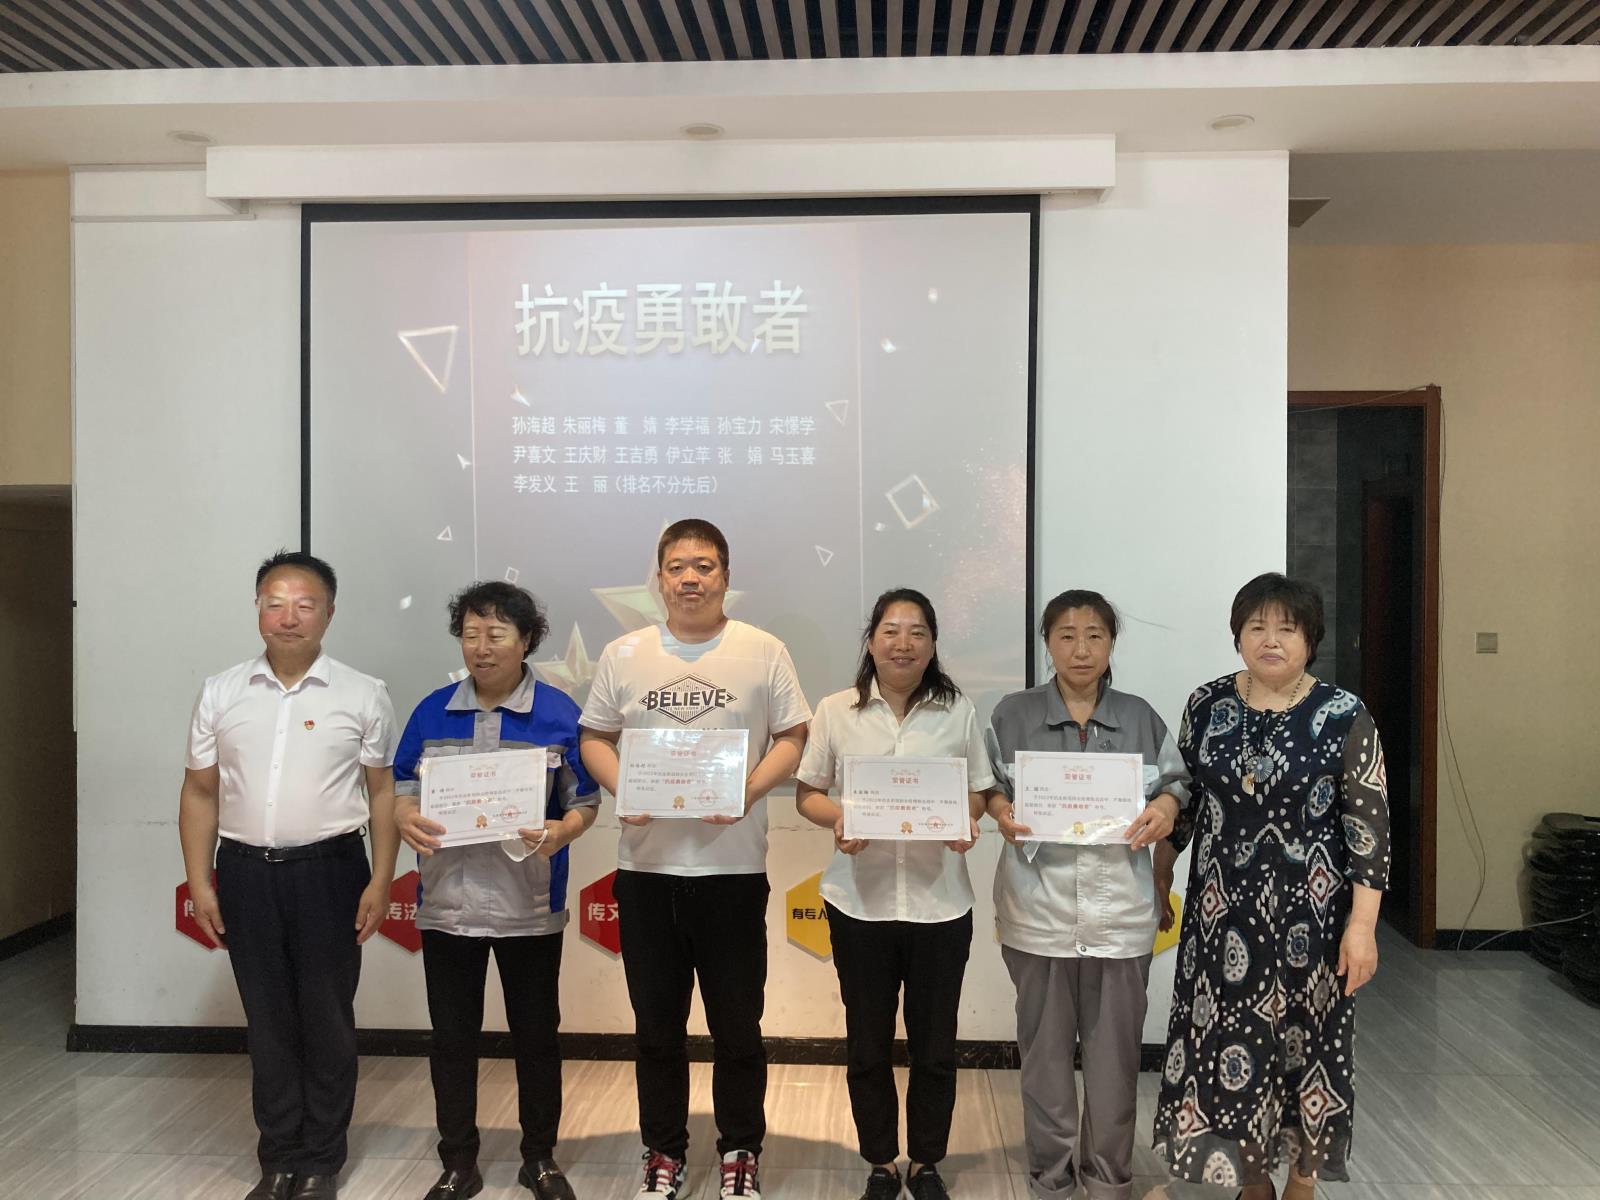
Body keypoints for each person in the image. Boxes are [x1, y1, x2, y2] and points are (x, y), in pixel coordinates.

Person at [578, 519, 810, 1200]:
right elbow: (594, 737)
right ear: (659, 578)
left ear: (725, 577)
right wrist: (625, 790)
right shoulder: (624, 653)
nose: (690, 578)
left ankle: (740, 1149)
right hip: (647, 873)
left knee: (738, 1028)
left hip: (731, 873)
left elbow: (794, 735)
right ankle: (664, 1152)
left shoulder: (762, 650)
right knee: (657, 1030)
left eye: (704, 566)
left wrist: (748, 791)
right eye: (677, 566)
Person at [1151, 573, 1390, 1199]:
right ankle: (1251, 1179)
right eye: (1256, 627)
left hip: (1313, 926)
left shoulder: (1343, 714)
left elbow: (1368, 830)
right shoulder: (1207, 704)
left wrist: (1362, 928)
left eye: (1287, 628)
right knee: (1229, 1047)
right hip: (1220, 920)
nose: (1271, 639)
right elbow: (1186, 800)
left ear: (1310, 638)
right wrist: (1160, 872)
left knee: (1307, 1050)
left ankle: (1302, 1181)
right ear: (1238, 636)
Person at [178, 551, 399, 1200]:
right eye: (275, 604)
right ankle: (278, 1158)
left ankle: (322, 1160)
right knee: (268, 1021)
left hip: (332, 871)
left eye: (305, 605)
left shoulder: (364, 693)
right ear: (258, 610)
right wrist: (199, 881)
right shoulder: (221, 691)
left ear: (329, 613)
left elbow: (382, 793)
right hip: (245, 872)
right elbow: (199, 792)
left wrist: (382, 880)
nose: (289, 617)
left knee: (327, 1017)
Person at [394, 582, 599, 1200]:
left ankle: (539, 1157)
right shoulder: (432, 712)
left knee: (537, 1037)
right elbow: (402, 787)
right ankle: (458, 1161)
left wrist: (563, 831)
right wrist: (404, 817)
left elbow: (585, 801)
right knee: (451, 1040)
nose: (481, 648)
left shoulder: (559, 714)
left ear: (527, 639)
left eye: (496, 634)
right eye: (470, 634)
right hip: (447, 906)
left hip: (527, 905)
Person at [983, 590, 1191, 1200]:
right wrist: (1000, 810)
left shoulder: (1139, 716)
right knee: (1045, 1058)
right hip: (1037, 909)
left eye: (1095, 635)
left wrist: (1164, 806)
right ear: (1047, 643)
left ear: (1111, 644)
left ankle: (1107, 1181)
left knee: (1115, 1061)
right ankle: (1051, 1181)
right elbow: (987, 784)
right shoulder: (1013, 714)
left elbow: (1177, 783)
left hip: (1120, 914)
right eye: (1067, 635)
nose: (1081, 649)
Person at [794, 588, 993, 1200]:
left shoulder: (958, 711)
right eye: (890, 630)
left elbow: (979, 788)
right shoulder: (835, 710)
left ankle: (926, 1163)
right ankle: (881, 1163)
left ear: (932, 645)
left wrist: (965, 819)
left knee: (935, 1048)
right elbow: (808, 794)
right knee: (867, 1045)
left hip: (941, 904)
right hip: (860, 903)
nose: (903, 643)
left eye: (917, 632)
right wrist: (840, 819)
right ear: (871, 640)